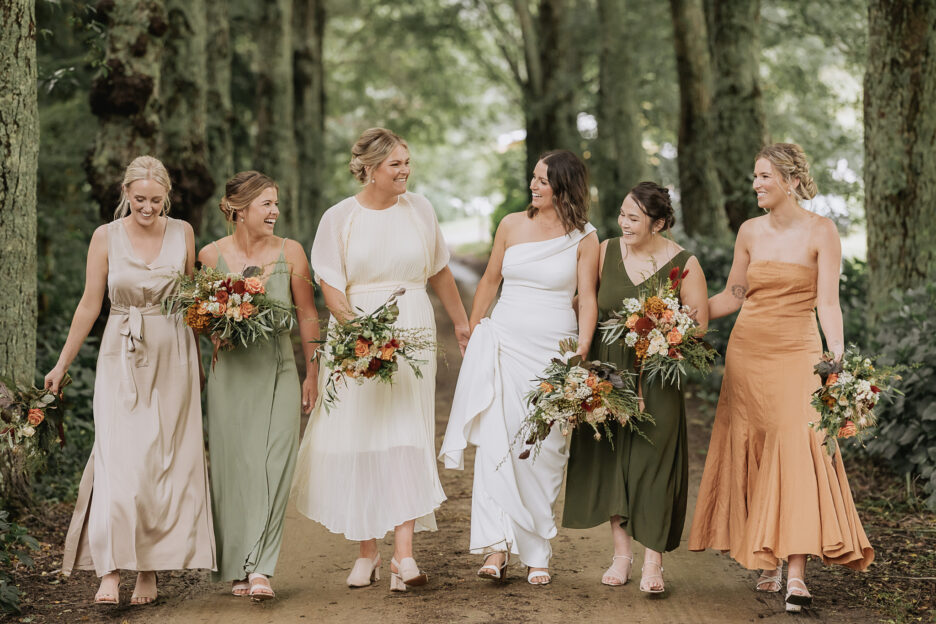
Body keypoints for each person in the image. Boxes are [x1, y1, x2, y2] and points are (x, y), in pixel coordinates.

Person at [687, 143, 873, 612]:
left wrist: (838, 360)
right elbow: (734, 294)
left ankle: (795, 574)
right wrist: (679, 321)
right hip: (748, 353)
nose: (756, 185)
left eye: (764, 176)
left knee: (796, 447)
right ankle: (767, 558)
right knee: (756, 447)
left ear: (790, 180)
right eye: (755, 176)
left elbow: (828, 303)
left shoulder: (821, 231)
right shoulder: (749, 231)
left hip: (799, 354)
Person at [292, 128, 470, 592]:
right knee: (361, 437)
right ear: (369, 169)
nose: (405, 171)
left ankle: (403, 556)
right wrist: (358, 335)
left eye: (407, 162)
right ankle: (368, 551)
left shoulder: (421, 210)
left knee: (407, 434)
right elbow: (329, 284)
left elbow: (440, 271)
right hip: (357, 333)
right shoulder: (339, 218)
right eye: (395, 164)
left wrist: (461, 322)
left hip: (411, 328)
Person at [48, 155, 216, 605]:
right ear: (125, 194)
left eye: (156, 200)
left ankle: (149, 569)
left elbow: (191, 302)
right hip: (120, 352)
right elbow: (89, 304)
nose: (147, 208)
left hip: (174, 354)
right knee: (118, 460)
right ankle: (110, 568)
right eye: (139, 199)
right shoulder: (105, 237)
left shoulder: (182, 232)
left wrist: (201, 361)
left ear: (168, 197)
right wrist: (62, 364)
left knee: (163, 463)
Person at [440, 150, 599, 585]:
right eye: (533, 177)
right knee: (498, 443)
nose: (533, 185)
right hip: (505, 343)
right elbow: (490, 279)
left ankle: (537, 551)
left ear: (564, 188)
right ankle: (495, 547)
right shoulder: (511, 224)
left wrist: (581, 350)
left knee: (545, 449)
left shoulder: (584, 237)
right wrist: (473, 332)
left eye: (543, 180)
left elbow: (587, 296)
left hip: (554, 351)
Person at [562, 182, 708, 593]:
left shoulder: (684, 263)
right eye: (623, 214)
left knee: (651, 463)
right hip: (608, 369)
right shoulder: (605, 249)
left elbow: (699, 325)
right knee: (611, 458)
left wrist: (667, 327)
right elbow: (583, 300)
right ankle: (622, 555)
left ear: (658, 223)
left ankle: (653, 563)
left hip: (657, 373)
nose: (623, 223)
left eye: (634, 218)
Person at [199, 171, 319, 601]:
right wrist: (214, 327)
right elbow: (200, 317)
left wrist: (312, 371)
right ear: (238, 209)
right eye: (266, 204)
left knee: (275, 464)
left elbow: (307, 314)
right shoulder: (210, 256)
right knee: (235, 469)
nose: (275, 211)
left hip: (279, 369)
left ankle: (262, 568)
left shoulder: (292, 252)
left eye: (275, 203)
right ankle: (238, 565)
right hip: (230, 374)